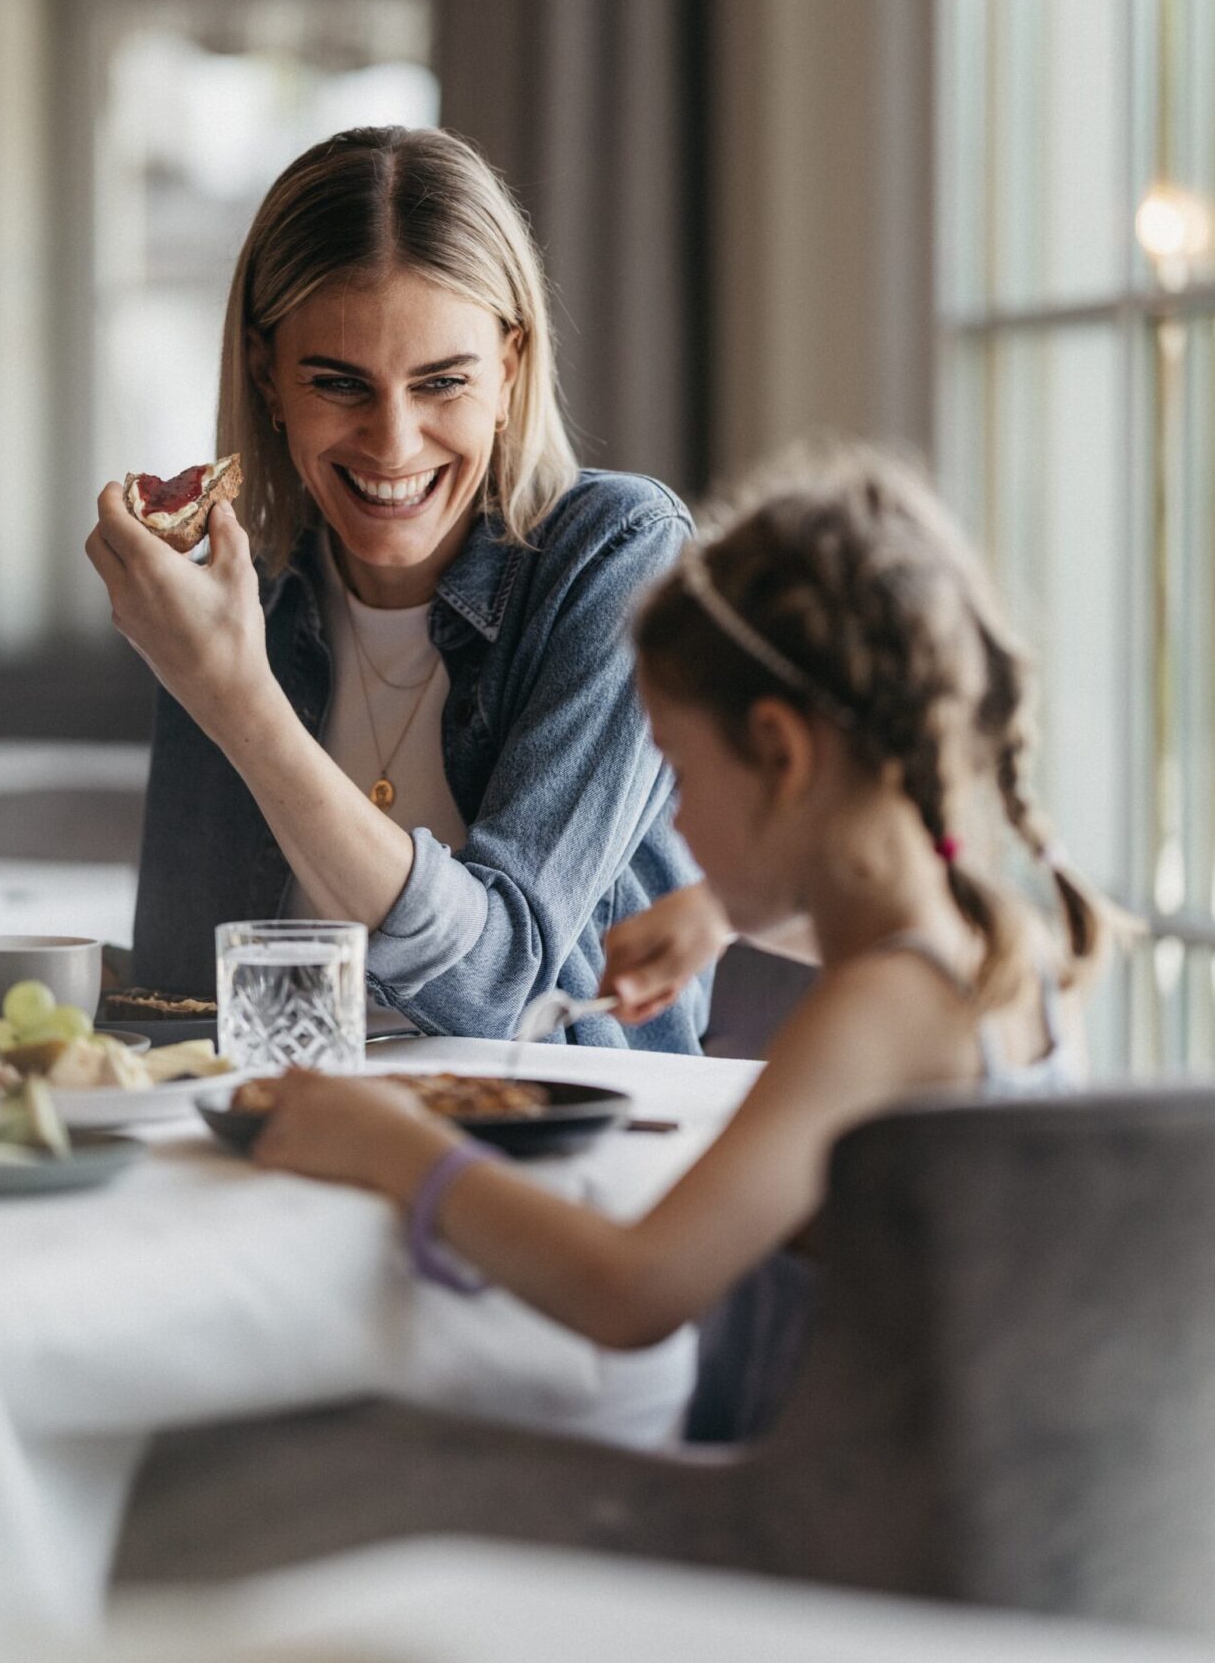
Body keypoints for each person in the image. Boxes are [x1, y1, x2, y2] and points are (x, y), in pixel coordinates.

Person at [252, 444, 1107, 1400]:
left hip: (845, 1492)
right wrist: (714, 912)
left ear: (780, 753)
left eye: (682, 777)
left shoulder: (877, 1014)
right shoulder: (1002, 950)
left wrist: (398, 1147)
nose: (679, 825)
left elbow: (630, 1292)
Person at [84, 126, 710, 1050]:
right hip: (285, 1116)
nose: (393, 443)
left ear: (510, 368)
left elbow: (497, 983)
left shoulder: (619, 557)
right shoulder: (243, 587)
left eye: (442, 382)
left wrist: (236, 699)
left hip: (547, 1119)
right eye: (339, 384)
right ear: (266, 377)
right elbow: (189, 996)